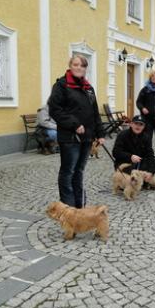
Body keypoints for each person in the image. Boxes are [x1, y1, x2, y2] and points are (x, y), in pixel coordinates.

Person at [48, 55, 105, 208]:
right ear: (70, 66)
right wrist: (74, 124)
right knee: (68, 172)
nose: (79, 67)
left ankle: (79, 205)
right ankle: (68, 207)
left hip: (87, 138)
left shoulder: (88, 88)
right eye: (76, 64)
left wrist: (100, 133)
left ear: (85, 68)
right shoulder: (61, 85)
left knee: (79, 171)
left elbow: (94, 112)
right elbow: (55, 110)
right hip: (69, 137)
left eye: (82, 65)